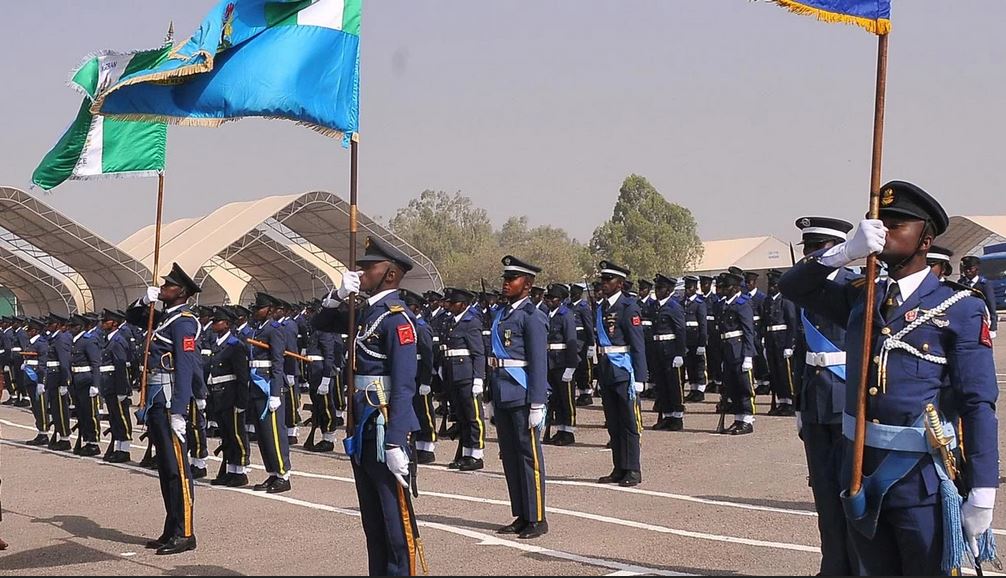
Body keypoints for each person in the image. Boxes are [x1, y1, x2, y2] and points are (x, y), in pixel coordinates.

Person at [780, 181, 998, 575]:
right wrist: (844, 252)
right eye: (879, 223)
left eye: (897, 224)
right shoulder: (861, 296)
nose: (884, 231)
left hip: (921, 484)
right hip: (862, 474)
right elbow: (791, 286)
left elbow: (977, 404)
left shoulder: (960, 307)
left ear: (925, 239)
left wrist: (983, 490)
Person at [314, 237, 425, 575]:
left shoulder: (397, 319)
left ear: (390, 275)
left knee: (395, 523)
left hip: (383, 423)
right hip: (362, 422)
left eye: (368, 267)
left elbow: (405, 384)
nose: (360, 272)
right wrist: (336, 296)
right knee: (372, 522)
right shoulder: (365, 312)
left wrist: (396, 440)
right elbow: (321, 323)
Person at [791, 215, 856, 575]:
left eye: (818, 248)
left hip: (846, 396)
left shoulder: (856, 284)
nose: (811, 255)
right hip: (816, 401)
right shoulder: (802, 291)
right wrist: (800, 404)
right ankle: (833, 565)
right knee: (826, 497)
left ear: (838, 249)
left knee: (853, 492)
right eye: (808, 248)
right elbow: (803, 350)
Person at [126, 262, 201, 555]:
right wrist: (145, 300)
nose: (163, 289)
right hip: (158, 400)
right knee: (166, 468)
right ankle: (171, 528)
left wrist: (181, 410)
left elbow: (185, 367)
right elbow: (133, 316)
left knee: (178, 470)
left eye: (168, 286)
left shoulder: (183, 322)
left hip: (170, 401)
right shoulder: (163, 318)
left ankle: (186, 532)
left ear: (180, 292)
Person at [488, 255, 549, 538]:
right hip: (503, 393)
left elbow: (538, 362)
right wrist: (491, 397)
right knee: (510, 457)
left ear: (528, 284)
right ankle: (521, 514)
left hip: (523, 394)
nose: (505, 284)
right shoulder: (501, 315)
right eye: (505, 278)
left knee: (528, 457)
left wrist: (538, 403)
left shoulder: (532, 317)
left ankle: (537, 517)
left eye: (511, 279)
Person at [594, 261, 648, 486]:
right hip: (607, 369)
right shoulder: (601, 307)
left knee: (628, 422)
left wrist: (641, 378)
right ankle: (619, 467)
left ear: (620, 283)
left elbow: (638, 344)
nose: (604, 284)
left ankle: (633, 469)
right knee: (613, 422)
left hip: (624, 370)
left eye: (609, 280)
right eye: (603, 280)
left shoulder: (629, 307)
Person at [247, 292, 292, 494]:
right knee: (264, 434)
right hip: (256, 383)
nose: (256, 311)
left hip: (268, 384)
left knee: (274, 433)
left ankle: (283, 475)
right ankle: (273, 472)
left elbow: (277, 362)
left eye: (260, 308)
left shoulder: (275, 329)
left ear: (271, 310)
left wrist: (275, 392)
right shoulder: (258, 329)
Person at [441, 288, 487, 469]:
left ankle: (476, 454)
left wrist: (478, 379)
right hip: (454, 375)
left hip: (467, 375)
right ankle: (466, 453)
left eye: (454, 303)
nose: (450, 306)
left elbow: (478, 353)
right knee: (461, 417)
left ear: (463, 304)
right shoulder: (452, 322)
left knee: (473, 417)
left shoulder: (471, 322)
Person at [206, 306, 251, 487]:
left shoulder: (235, 345)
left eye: (217, 321)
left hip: (231, 395)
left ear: (227, 324)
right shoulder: (217, 345)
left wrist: (241, 401)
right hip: (219, 394)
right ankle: (229, 470)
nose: (214, 324)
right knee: (226, 435)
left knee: (236, 435)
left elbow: (242, 376)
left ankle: (240, 472)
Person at [716, 271, 757, 435]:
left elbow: (748, 331)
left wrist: (748, 355)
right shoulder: (725, 304)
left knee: (744, 386)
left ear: (734, 288)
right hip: (728, 350)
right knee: (732, 386)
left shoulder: (742, 304)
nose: (723, 290)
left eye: (726, 287)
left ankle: (747, 419)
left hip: (740, 350)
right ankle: (738, 418)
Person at [402, 289, 438, 464]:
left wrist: (426, 380)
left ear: (415, 308)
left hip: (419, 374)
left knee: (425, 412)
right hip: (409, 373)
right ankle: (417, 444)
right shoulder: (408, 325)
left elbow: (428, 355)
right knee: (413, 410)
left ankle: (428, 446)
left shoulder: (422, 328)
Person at [542, 283, 579, 445]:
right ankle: (560, 429)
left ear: (561, 300)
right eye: (547, 298)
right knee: (555, 398)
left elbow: (572, 343)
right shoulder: (547, 314)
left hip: (563, 361)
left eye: (552, 298)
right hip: (550, 361)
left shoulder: (566, 315)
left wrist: (571, 366)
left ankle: (568, 431)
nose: (548, 301)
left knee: (567, 399)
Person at [650, 274, 686, 431]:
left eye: (661, 288)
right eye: (656, 288)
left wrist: (679, 353)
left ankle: (677, 417)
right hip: (658, 348)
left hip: (670, 349)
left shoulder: (674, 307)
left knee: (673, 384)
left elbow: (680, 330)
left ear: (669, 290)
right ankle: (667, 414)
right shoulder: (655, 307)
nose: (657, 291)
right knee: (661, 383)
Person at [761, 270, 798, 416]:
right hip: (771, 339)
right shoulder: (767, 301)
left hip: (782, 340)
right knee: (775, 373)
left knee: (785, 373)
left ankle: (790, 402)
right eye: (770, 284)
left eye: (774, 285)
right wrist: (764, 339)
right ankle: (782, 401)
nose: (771, 287)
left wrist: (789, 345)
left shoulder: (786, 301)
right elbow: (765, 322)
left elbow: (792, 323)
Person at [99, 309, 133, 463]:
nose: (102, 324)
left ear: (114, 323)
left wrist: (122, 390)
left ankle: (124, 449)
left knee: (122, 418)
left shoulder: (118, 341)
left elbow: (121, 367)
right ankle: (118, 447)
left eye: (105, 321)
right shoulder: (109, 339)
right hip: (108, 385)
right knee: (114, 418)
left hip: (115, 385)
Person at [69, 314, 102, 456]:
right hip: (76, 380)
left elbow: (95, 363)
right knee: (81, 412)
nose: (70, 329)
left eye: (73, 327)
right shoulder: (75, 341)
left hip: (86, 380)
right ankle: (86, 440)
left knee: (90, 413)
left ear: (80, 327)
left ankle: (93, 443)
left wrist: (95, 384)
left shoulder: (88, 341)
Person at [43, 315, 72, 451]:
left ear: (57, 325)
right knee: (55, 409)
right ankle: (60, 435)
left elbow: (64, 362)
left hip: (58, 378)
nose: (48, 326)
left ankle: (65, 438)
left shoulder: (60, 338)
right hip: (52, 378)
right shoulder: (53, 338)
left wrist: (64, 382)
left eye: (50, 323)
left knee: (61, 410)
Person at [21, 318, 50, 446]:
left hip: (37, 378)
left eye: (30, 330)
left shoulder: (41, 343)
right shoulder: (30, 342)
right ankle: (40, 431)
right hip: (29, 378)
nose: (28, 333)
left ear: (35, 331)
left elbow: (43, 364)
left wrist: (41, 382)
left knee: (41, 407)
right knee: (35, 407)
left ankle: (44, 433)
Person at [680, 276, 708, 403]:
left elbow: (703, 325)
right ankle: (693, 389)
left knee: (699, 366)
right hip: (686, 339)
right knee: (689, 366)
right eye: (686, 287)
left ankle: (700, 390)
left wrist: (702, 343)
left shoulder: (699, 303)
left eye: (690, 287)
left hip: (696, 339)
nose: (687, 290)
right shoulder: (682, 302)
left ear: (695, 288)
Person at [569, 283, 596, 408]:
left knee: (583, 367)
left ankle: (586, 393)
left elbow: (588, 326)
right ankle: (580, 391)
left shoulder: (583, 307)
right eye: (571, 294)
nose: (572, 297)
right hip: (572, 341)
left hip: (582, 340)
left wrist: (591, 343)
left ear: (579, 295)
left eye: (574, 294)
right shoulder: (568, 306)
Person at [959, 255, 998, 337]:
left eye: (971, 268)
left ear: (977, 269)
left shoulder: (984, 284)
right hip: (964, 321)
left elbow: (991, 305)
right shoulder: (961, 283)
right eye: (966, 269)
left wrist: (993, 327)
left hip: (981, 320)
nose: (968, 271)